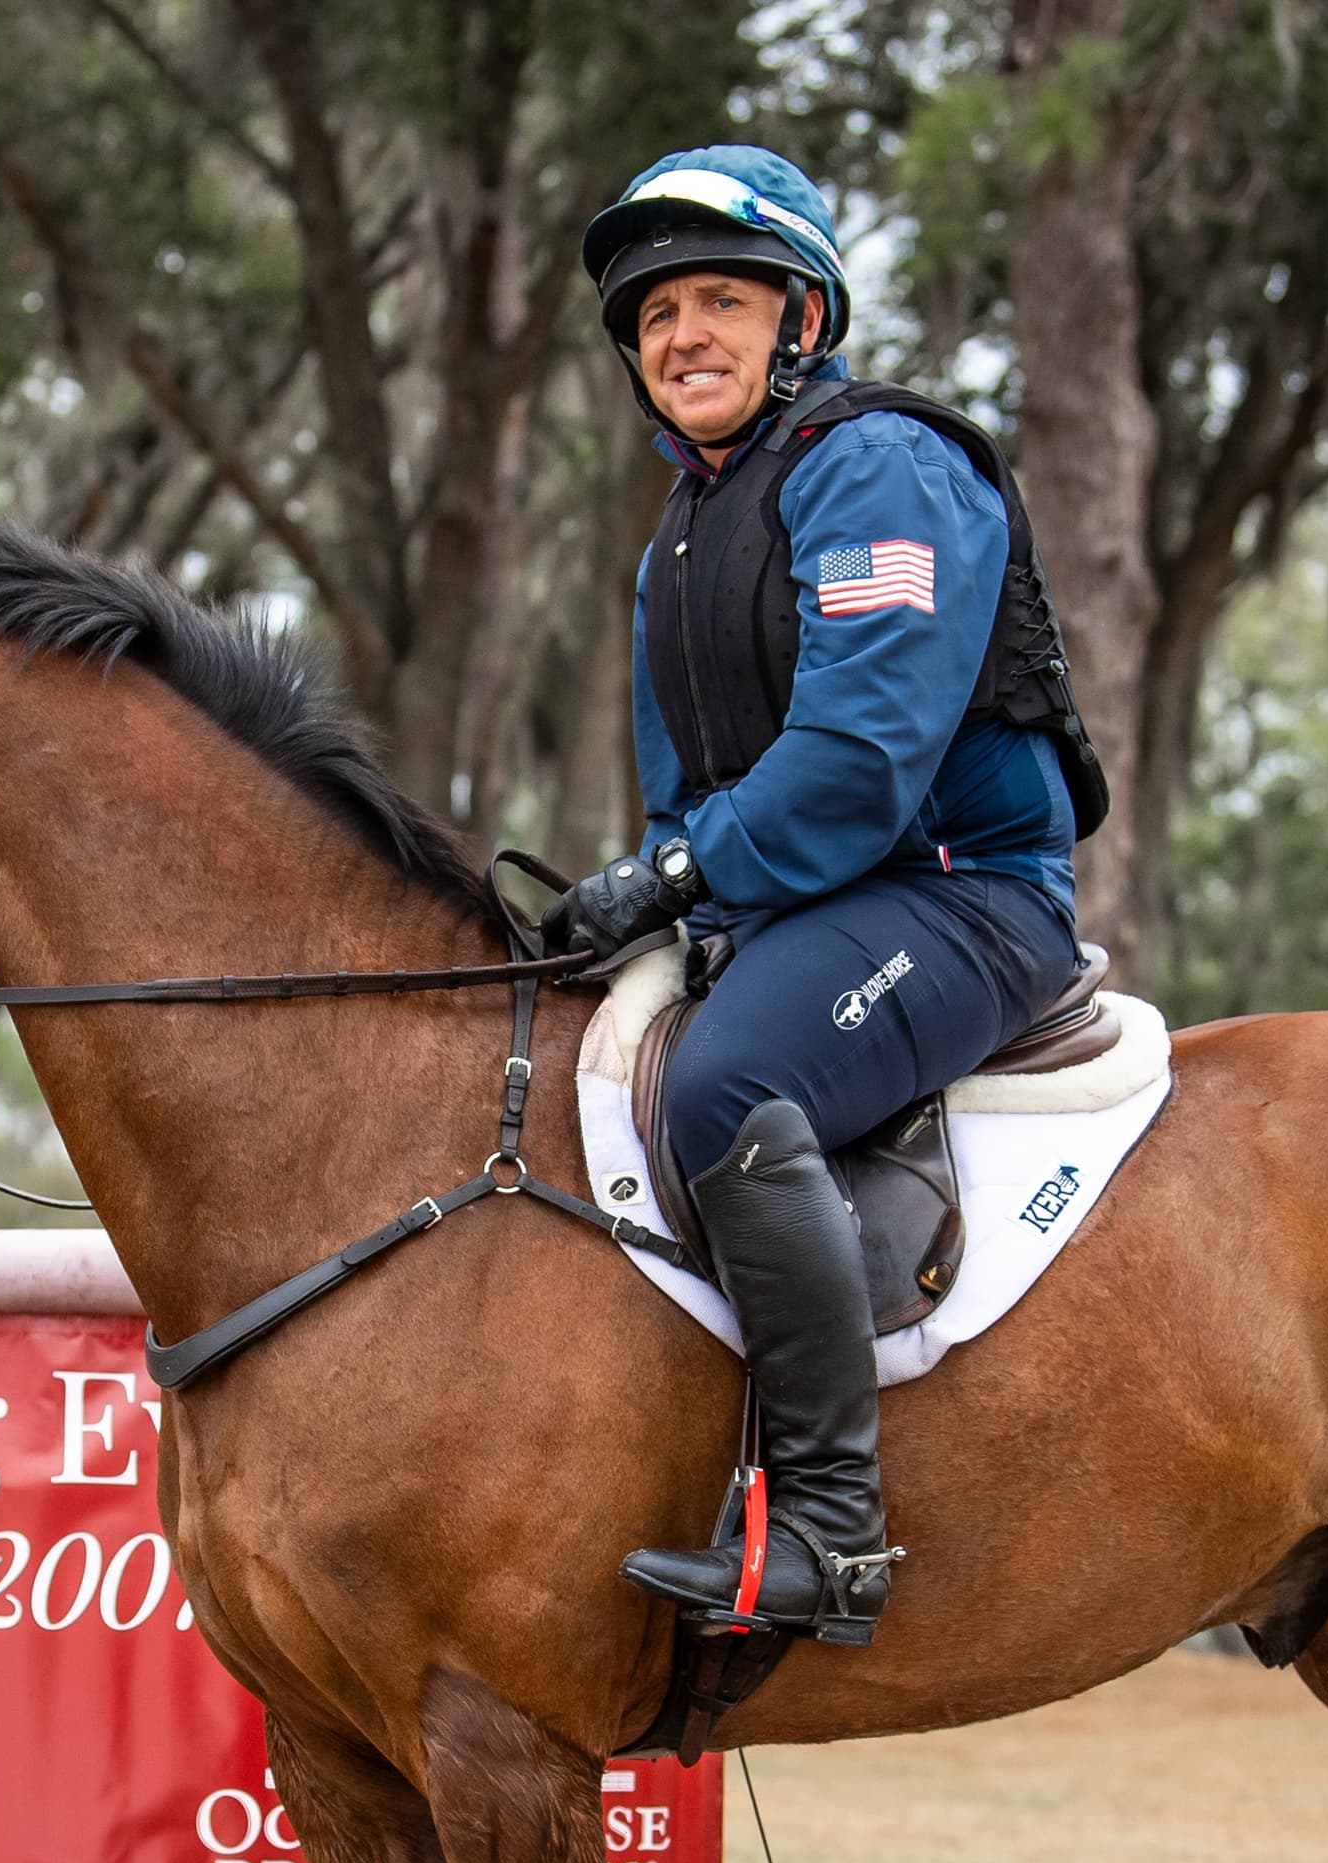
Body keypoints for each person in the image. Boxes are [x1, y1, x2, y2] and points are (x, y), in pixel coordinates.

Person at [546, 144, 1109, 1650]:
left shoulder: (880, 465)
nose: (682, 340)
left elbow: (860, 762)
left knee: (729, 1084)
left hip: (964, 894)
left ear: (805, 320)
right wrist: (654, 906)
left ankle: (832, 1531)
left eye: (720, 301)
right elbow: (690, 796)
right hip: (800, 910)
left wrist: (669, 878)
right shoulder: (675, 539)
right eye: (655, 319)